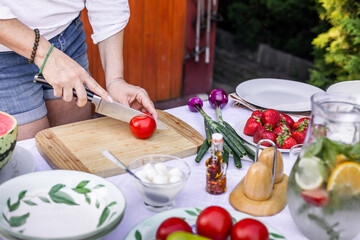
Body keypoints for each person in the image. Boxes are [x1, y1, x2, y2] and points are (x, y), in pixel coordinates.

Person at [0, 0, 158, 140]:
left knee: (76, 145)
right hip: (5, 51)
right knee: (29, 162)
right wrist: (45, 55)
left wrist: (115, 80)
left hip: (67, 36)